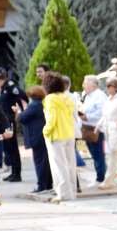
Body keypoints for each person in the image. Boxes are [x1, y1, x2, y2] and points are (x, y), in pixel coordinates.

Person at [42, 72, 78, 202]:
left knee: (58, 165)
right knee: (70, 164)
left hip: (55, 135)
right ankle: (72, 191)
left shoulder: (50, 99)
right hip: (69, 133)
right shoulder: (67, 97)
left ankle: (63, 193)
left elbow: (51, 118)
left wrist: (45, 131)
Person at [0, 67, 28, 182]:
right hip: (3, 122)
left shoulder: (10, 86)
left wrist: (23, 110)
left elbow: (22, 95)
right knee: (8, 148)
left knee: (13, 148)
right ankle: (13, 172)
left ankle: (17, 174)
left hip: (9, 121)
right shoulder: (3, 88)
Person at [19, 85, 52, 194]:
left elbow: (22, 118)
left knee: (40, 162)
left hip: (36, 137)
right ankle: (48, 184)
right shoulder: (41, 104)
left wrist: (19, 111)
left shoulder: (34, 105)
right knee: (45, 161)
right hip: (41, 137)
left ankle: (41, 185)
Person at [79, 75, 107, 188]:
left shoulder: (100, 96)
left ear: (93, 85)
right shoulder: (88, 96)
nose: (83, 85)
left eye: (85, 83)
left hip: (96, 128)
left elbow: (102, 113)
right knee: (94, 154)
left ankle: (101, 178)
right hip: (87, 128)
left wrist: (88, 117)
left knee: (98, 154)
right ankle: (100, 176)